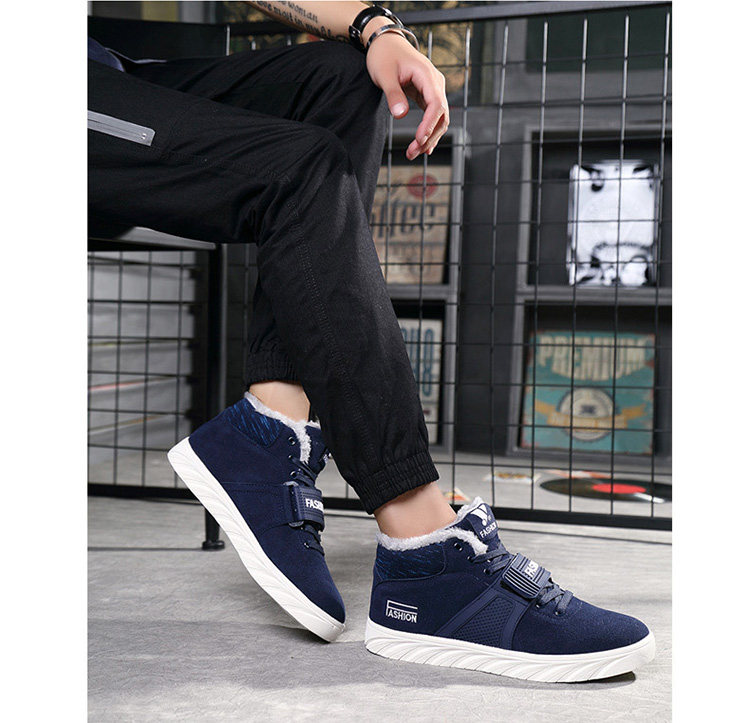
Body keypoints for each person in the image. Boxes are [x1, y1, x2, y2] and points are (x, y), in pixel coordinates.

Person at [89, 1, 655, 682]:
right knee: (297, 166)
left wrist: (378, 29)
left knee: (350, 78)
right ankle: (423, 546)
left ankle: (273, 426)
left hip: (109, 69)